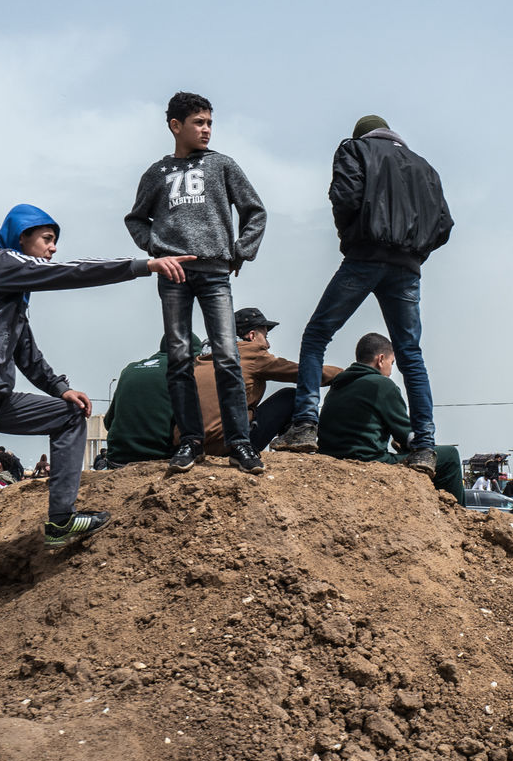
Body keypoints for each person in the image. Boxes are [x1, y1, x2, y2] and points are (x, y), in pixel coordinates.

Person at [0, 203, 195, 652]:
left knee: (68, 415)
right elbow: (71, 272)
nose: (53, 247)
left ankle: (61, 520)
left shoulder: (12, 296)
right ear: (21, 237)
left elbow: (26, 353)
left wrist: (61, 389)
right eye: (46, 238)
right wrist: (144, 265)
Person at [273, 115, 454, 476]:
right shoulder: (424, 167)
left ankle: (305, 425)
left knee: (316, 335)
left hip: (365, 257)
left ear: (363, 136)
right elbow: (444, 224)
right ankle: (424, 447)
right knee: (410, 354)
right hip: (406, 267)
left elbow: (344, 197)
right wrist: (415, 249)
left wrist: (354, 237)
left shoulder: (355, 150)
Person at [123, 91, 268, 476]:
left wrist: (240, 251)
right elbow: (135, 220)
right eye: (198, 123)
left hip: (216, 273)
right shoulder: (157, 173)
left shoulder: (222, 165)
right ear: (176, 126)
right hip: (174, 275)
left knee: (227, 356)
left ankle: (240, 442)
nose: (206, 130)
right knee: (179, 357)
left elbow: (255, 211)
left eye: (209, 123)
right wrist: (157, 249)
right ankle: (190, 441)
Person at [315, 332, 465, 505]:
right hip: (368, 461)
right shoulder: (382, 385)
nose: (391, 370)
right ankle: (457, 513)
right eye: (391, 363)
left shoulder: (337, 386)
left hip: (331, 458)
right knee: (449, 456)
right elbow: (408, 437)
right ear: (380, 359)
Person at [194, 307, 340, 456]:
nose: (268, 345)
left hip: (191, 445)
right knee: (289, 396)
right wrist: (346, 373)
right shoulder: (251, 354)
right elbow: (306, 373)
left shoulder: (202, 359)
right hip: (229, 445)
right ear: (252, 335)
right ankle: (293, 442)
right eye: (265, 336)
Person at [103, 347, 175, 468]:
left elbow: (108, 422)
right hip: (162, 458)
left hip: (117, 460)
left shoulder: (129, 370)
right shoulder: (186, 369)